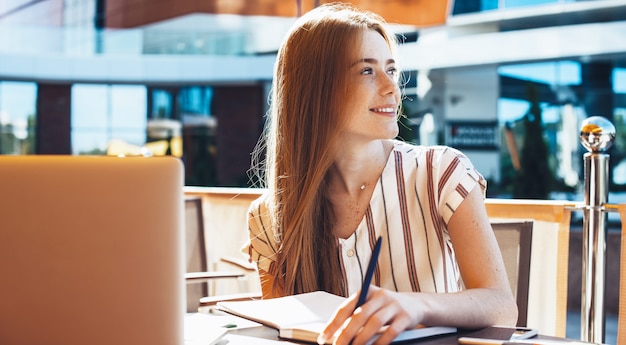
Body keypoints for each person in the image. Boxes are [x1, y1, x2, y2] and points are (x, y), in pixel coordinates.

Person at [244, 3, 518, 345]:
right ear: (316, 89)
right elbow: (282, 332)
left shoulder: (440, 173)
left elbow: (502, 306)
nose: (393, 88)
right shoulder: (269, 216)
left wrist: (414, 306)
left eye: (391, 69)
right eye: (367, 71)